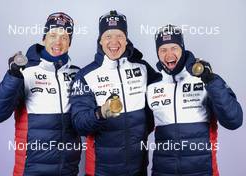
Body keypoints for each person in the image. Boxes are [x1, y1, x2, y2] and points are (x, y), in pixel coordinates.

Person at [0, 12, 81, 176]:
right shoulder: (24, 71)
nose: (58, 41)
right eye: (52, 35)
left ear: (69, 43)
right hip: (30, 170)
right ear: (44, 38)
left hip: (68, 170)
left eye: (64, 37)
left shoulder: (77, 74)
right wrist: (14, 76)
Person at [147, 24, 243, 176]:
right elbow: (139, 127)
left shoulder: (205, 78)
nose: (169, 54)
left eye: (174, 48)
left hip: (203, 171)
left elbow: (234, 120)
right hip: (163, 171)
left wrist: (210, 81)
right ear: (157, 53)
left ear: (182, 48)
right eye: (163, 49)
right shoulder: (152, 85)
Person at [70, 10, 158, 176]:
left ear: (126, 40)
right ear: (100, 41)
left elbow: (168, 86)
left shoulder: (142, 68)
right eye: (108, 36)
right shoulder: (85, 76)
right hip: (101, 170)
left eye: (119, 35)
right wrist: (100, 113)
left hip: (138, 168)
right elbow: (79, 124)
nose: (114, 42)